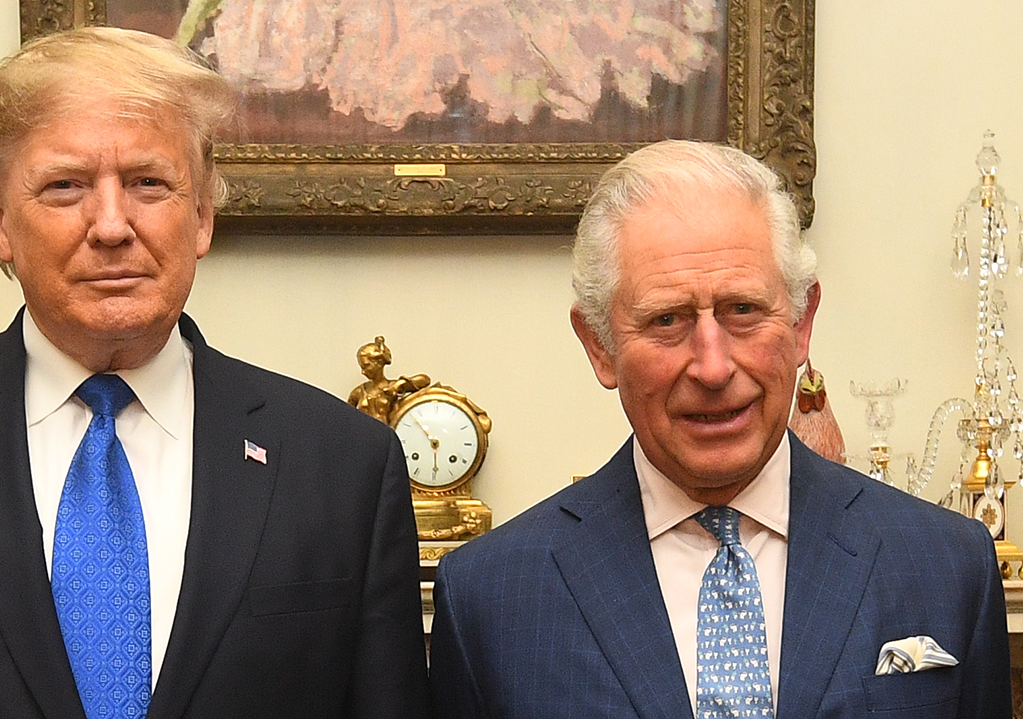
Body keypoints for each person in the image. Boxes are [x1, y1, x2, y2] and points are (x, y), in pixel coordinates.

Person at [0, 28, 430, 719]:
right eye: (66, 186)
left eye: (148, 183)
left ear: (202, 215)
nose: (110, 225)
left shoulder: (343, 465)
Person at [429, 140, 1010, 718]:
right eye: (666, 320)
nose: (712, 366)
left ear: (802, 323)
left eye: (743, 311)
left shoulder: (947, 567)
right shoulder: (493, 597)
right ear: (599, 347)